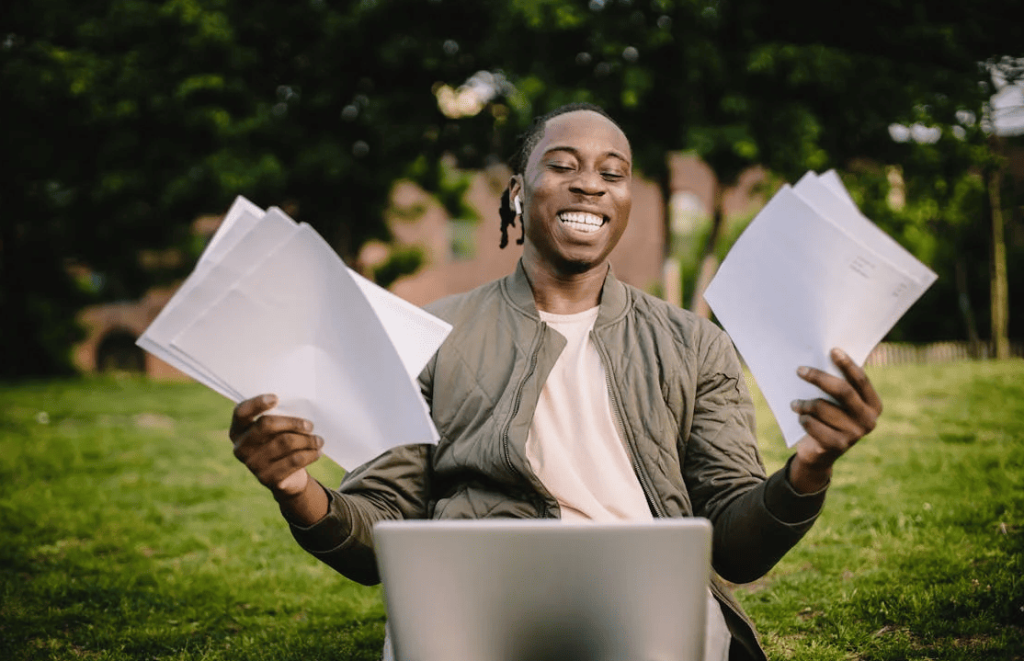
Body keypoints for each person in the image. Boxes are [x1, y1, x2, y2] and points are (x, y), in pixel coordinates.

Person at [228, 103, 883, 661]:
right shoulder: (428, 337)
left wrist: (809, 470)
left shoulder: (695, 345)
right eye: (563, 165)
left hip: (648, 619)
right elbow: (378, 537)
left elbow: (738, 547)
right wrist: (294, 488)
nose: (589, 185)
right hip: (472, 611)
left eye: (612, 173)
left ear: (626, 200)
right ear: (519, 191)